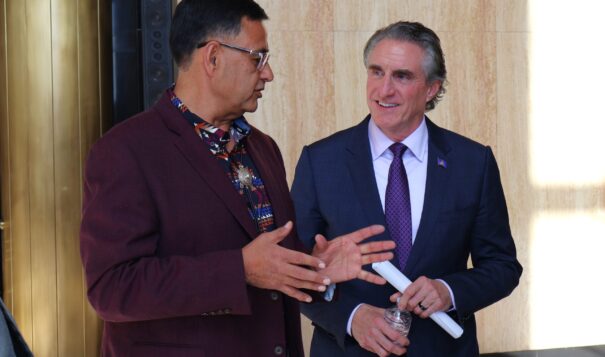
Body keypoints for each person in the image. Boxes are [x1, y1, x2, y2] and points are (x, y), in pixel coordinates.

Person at [79, 1, 395, 356]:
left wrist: (313, 267)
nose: (268, 73)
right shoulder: (126, 151)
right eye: (256, 58)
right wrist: (239, 270)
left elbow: (269, 266)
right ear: (213, 57)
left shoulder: (262, 148)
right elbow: (112, 289)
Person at [291, 21, 523, 356]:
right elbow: (293, 270)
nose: (384, 90)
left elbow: (503, 267)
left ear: (431, 88)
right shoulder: (320, 161)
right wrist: (351, 317)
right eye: (376, 72)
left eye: (402, 76)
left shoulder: (473, 162)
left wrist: (449, 290)